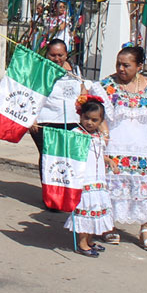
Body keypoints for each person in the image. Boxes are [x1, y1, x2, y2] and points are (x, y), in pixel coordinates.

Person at [101, 45, 147, 252]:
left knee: (143, 188)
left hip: (142, 148)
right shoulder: (106, 87)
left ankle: (145, 228)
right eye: (118, 64)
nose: (121, 69)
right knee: (112, 187)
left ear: (139, 66)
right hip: (114, 146)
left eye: (126, 65)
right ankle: (108, 225)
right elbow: (98, 115)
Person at [29, 38, 107, 208]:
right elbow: (32, 94)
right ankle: (51, 198)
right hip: (46, 122)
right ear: (47, 54)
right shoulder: (40, 71)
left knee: (69, 159)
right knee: (50, 158)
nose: (57, 58)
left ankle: (67, 195)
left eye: (60, 55)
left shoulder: (75, 70)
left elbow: (82, 90)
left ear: (66, 54)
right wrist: (32, 118)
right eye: (53, 55)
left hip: (72, 122)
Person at [64, 97, 113, 256]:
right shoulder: (76, 134)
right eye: (86, 118)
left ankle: (90, 240)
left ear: (101, 121)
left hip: (98, 180)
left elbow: (97, 154)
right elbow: (70, 153)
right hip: (85, 180)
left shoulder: (99, 135)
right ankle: (82, 243)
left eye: (94, 120)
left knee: (95, 210)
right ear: (80, 116)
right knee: (86, 209)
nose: (89, 122)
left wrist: (108, 161)